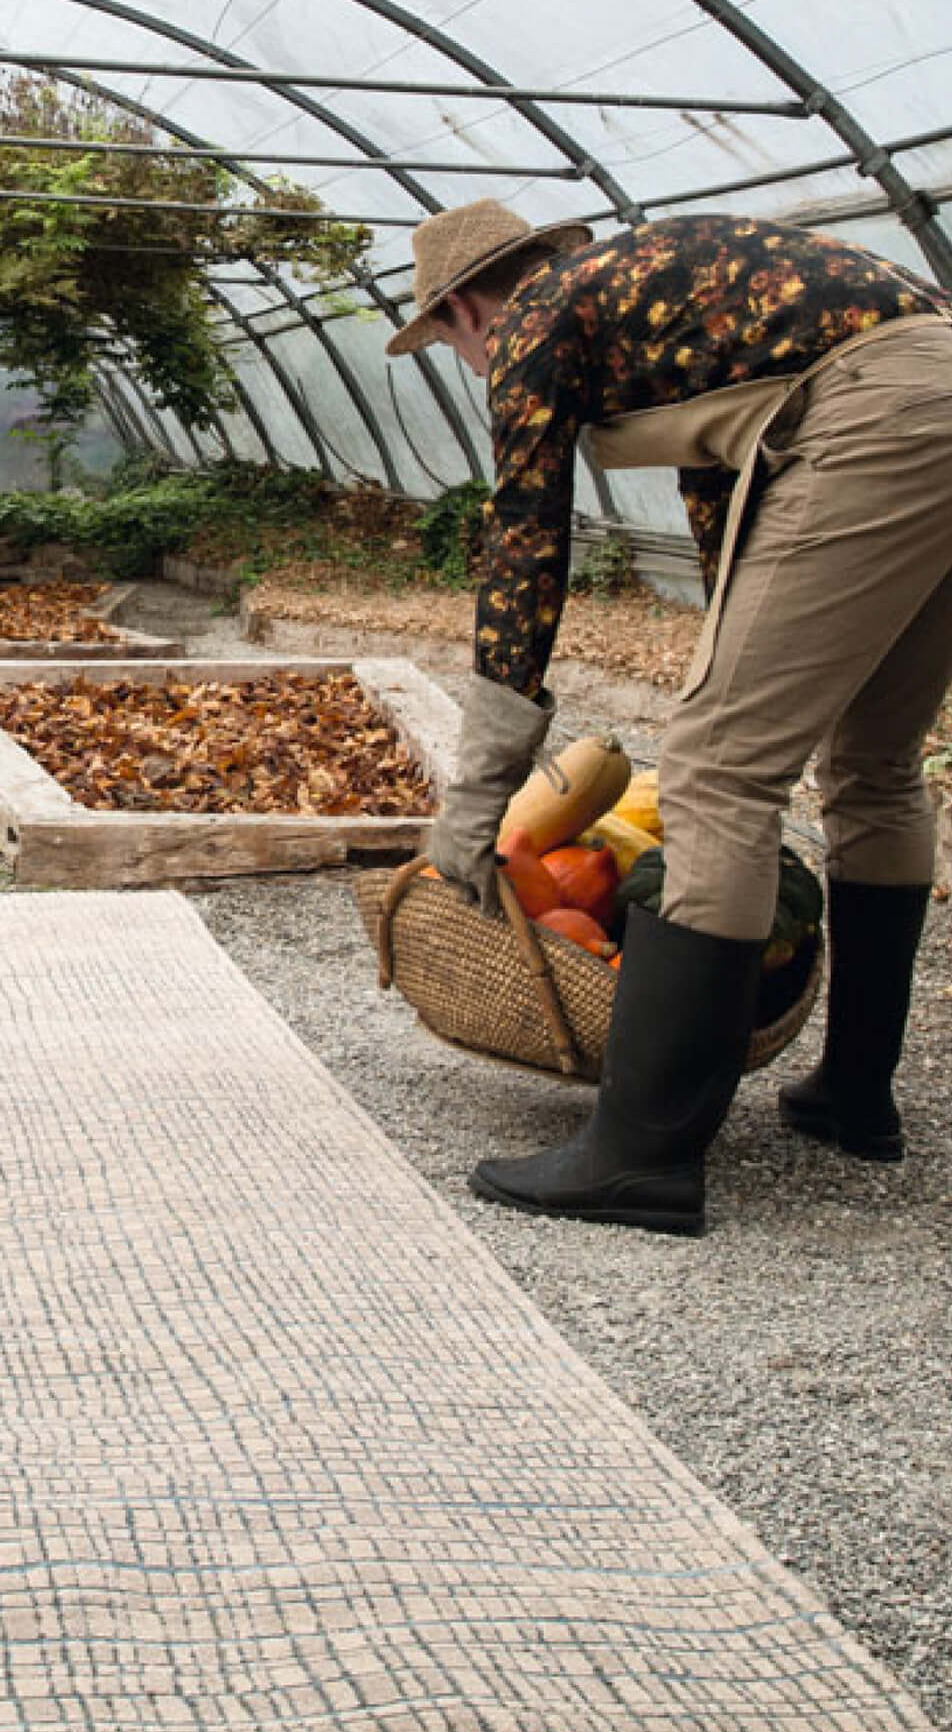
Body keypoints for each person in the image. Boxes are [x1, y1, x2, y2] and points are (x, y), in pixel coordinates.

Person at [389, 199, 952, 1236]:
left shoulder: (533, 320)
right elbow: (729, 510)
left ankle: (637, 1156)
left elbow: (523, 541)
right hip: (930, 391)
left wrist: (476, 799)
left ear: (464, 307)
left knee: (713, 771)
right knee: (871, 763)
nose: (470, 365)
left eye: (447, 342)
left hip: (872, 416)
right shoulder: (659, 303)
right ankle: (853, 1096)